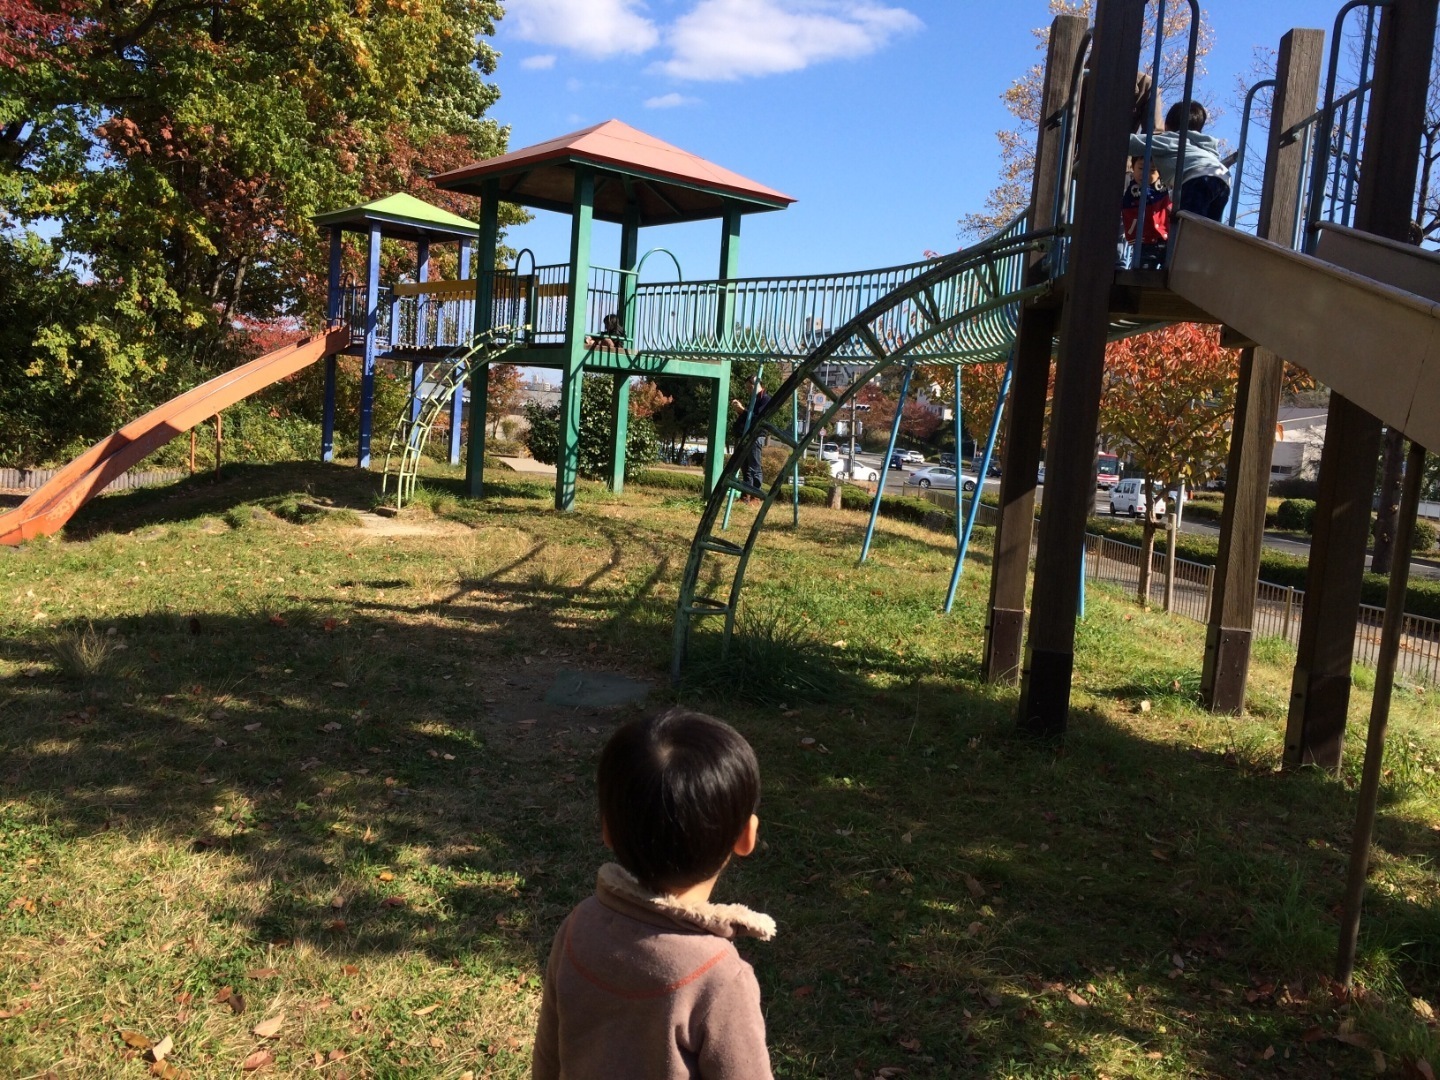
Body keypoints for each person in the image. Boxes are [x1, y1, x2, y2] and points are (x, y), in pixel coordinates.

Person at [531, 708, 775, 1080]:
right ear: (746, 837)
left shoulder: (578, 926)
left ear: (607, 830)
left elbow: (548, 1056)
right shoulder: (721, 978)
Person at [1128, 101, 1230, 223]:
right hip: (1223, 179)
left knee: (1186, 225)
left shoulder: (1171, 140)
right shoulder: (1203, 145)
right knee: (1208, 230)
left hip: (1197, 178)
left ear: (1167, 127)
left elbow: (1131, 143)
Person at [1120, 155, 1171, 269]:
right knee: (1143, 270)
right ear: (1133, 167)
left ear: (1160, 173)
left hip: (1165, 239)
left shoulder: (1164, 188)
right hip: (1143, 242)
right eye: (1141, 169)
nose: (1145, 174)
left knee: (1172, 271)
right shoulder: (1129, 186)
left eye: (1152, 170)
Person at [731, 374, 770, 504]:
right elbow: (747, 416)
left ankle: (756, 496)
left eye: (749, 387)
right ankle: (746, 495)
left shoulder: (765, 399)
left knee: (754, 467)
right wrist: (740, 411)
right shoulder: (753, 400)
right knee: (745, 467)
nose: (747, 390)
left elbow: (757, 418)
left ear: (756, 385)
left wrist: (743, 410)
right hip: (747, 434)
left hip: (756, 435)